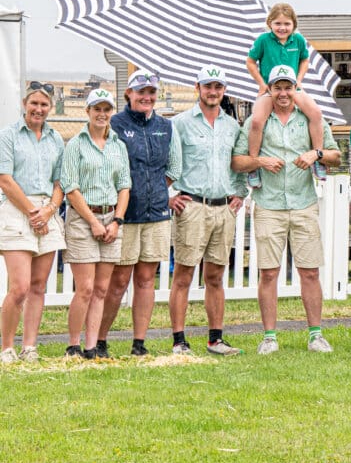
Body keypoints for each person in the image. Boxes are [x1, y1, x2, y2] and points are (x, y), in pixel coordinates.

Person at [232, 65, 342, 354]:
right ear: (269, 90)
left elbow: (336, 157)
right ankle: (269, 337)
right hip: (269, 204)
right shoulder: (258, 121)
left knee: (310, 273)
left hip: (303, 202)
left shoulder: (309, 119)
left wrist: (315, 153)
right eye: (277, 87)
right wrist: (261, 162)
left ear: (296, 89)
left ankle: (315, 335)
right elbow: (238, 161)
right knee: (268, 273)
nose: (283, 93)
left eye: (287, 87)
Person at [164, 66, 248, 356]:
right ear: (197, 87)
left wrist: (240, 193)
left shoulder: (232, 126)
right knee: (184, 275)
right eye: (207, 86)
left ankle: (216, 339)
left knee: (215, 275)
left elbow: (237, 163)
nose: (213, 92)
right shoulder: (180, 123)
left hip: (222, 208)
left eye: (218, 87)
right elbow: (168, 163)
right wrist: (169, 195)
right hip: (192, 206)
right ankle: (179, 340)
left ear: (224, 90)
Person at [96, 70, 173, 358]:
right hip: (125, 214)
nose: (146, 97)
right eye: (141, 92)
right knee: (118, 281)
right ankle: (100, 339)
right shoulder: (115, 124)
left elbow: (173, 166)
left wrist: (157, 190)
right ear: (128, 94)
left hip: (156, 213)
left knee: (145, 279)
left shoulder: (165, 126)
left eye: (151, 92)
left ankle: (139, 342)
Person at [59, 89, 130, 359]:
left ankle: (92, 347)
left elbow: (124, 186)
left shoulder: (118, 145)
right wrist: (93, 221)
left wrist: (116, 221)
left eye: (106, 109)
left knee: (102, 288)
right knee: (85, 288)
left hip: (110, 217)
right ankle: (73, 345)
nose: (102, 114)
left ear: (112, 112)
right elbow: (70, 187)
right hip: (82, 218)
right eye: (96, 109)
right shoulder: (76, 144)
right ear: (87, 111)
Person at [0, 82, 66, 363]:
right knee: (20, 287)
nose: (39, 109)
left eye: (44, 105)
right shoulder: (8, 136)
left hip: (47, 211)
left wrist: (49, 210)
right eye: (34, 104)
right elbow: (4, 179)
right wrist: (32, 212)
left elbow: (60, 181)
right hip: (18, 210)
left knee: (39, 286)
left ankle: (29, 346)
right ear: (25, 105)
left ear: (50, 108)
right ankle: (6, 347)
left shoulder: (55, 139)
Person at [245, 3, 328, 183]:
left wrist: (299, 80)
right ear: (270, 23)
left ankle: (318, 158)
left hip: (292, 87)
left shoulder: (297, 40)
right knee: (257, 120)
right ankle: (253, 165)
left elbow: (305, 60)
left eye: (286, 24)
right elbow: (250, 62)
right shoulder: (263, 40)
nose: (282, 28)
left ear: (293, 25)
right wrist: (261, 84)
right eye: (277, 24)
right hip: (271, 88)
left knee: (316, 113)